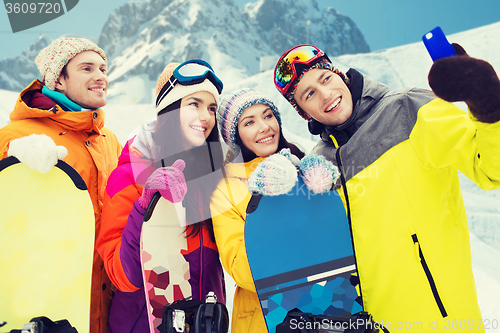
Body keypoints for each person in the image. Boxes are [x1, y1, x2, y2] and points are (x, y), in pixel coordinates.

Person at [273, 44, 500, 330]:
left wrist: (488, 103)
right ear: (303, 113)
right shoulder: (319, 164)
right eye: (309, 94)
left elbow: (490, 167)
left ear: (339, 75)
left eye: (325, 78)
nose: (325, 94)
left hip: (443, 321)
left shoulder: (407, 109)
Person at [0, 37, 122, 333]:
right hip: (45, 306)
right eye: (87, 68)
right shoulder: (14, 135)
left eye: (103, 69)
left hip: (105, 300)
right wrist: (13, 161)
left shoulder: (110, 141)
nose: (100, 77)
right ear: (59, 80)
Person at [97, 60, 226, 332]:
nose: (205, 117)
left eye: (211, 108)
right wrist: (145, 207)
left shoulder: (210, 175)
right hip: (145, 324)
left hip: (204, 322)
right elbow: (121, 276)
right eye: (194, 104)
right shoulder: (127, 174)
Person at [210, 88, 311, 332]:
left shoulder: (303, 165)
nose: (264, 127)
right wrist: (270, 205)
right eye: (249, 122)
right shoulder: (226, 189)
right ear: (236, 136)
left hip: (322, 303)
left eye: (268, 116)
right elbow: (241, 269)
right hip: (264, 318)